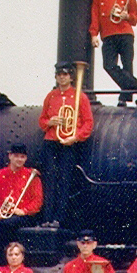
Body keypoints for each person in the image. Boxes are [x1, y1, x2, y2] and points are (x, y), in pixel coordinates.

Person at [38, 62, 93, 227]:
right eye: (59, 75)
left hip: (68, 143)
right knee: (50, 180)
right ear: (56, 77)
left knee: (64, 181)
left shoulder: (80, 97)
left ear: (71, 77)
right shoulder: (51, 96)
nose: (62, 77)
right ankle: (47, 218)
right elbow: (41, 121)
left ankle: (59, 219)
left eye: (65, 74)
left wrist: (75, 137)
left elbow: (88, 122)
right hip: (51, 142)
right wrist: (50, 122)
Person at [0, 144, 43, 269]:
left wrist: (24, 210)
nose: (19, 159)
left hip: (24, 215)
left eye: (22, 157)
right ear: (10, 156)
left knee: (8, 223)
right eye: (16, 156)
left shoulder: (32, 176)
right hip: (3, 213)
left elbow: (37, 200)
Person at [89, 0, 137, 107]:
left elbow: (136, 17)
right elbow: (95, 17)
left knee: (127, 66)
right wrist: (94, 34)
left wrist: (126, 16)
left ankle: (124, 99)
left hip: (125, 33)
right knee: (109, 65)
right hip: (108, 36)